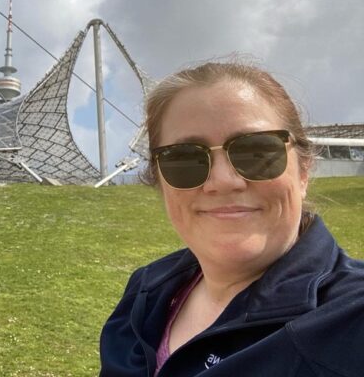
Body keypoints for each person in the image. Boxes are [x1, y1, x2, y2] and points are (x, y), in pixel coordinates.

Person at [99, 61, 364, 376]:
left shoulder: (352, 318)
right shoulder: (146, 290)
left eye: (256, 151)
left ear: (303, 171)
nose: (224, 180)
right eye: (185, 158)